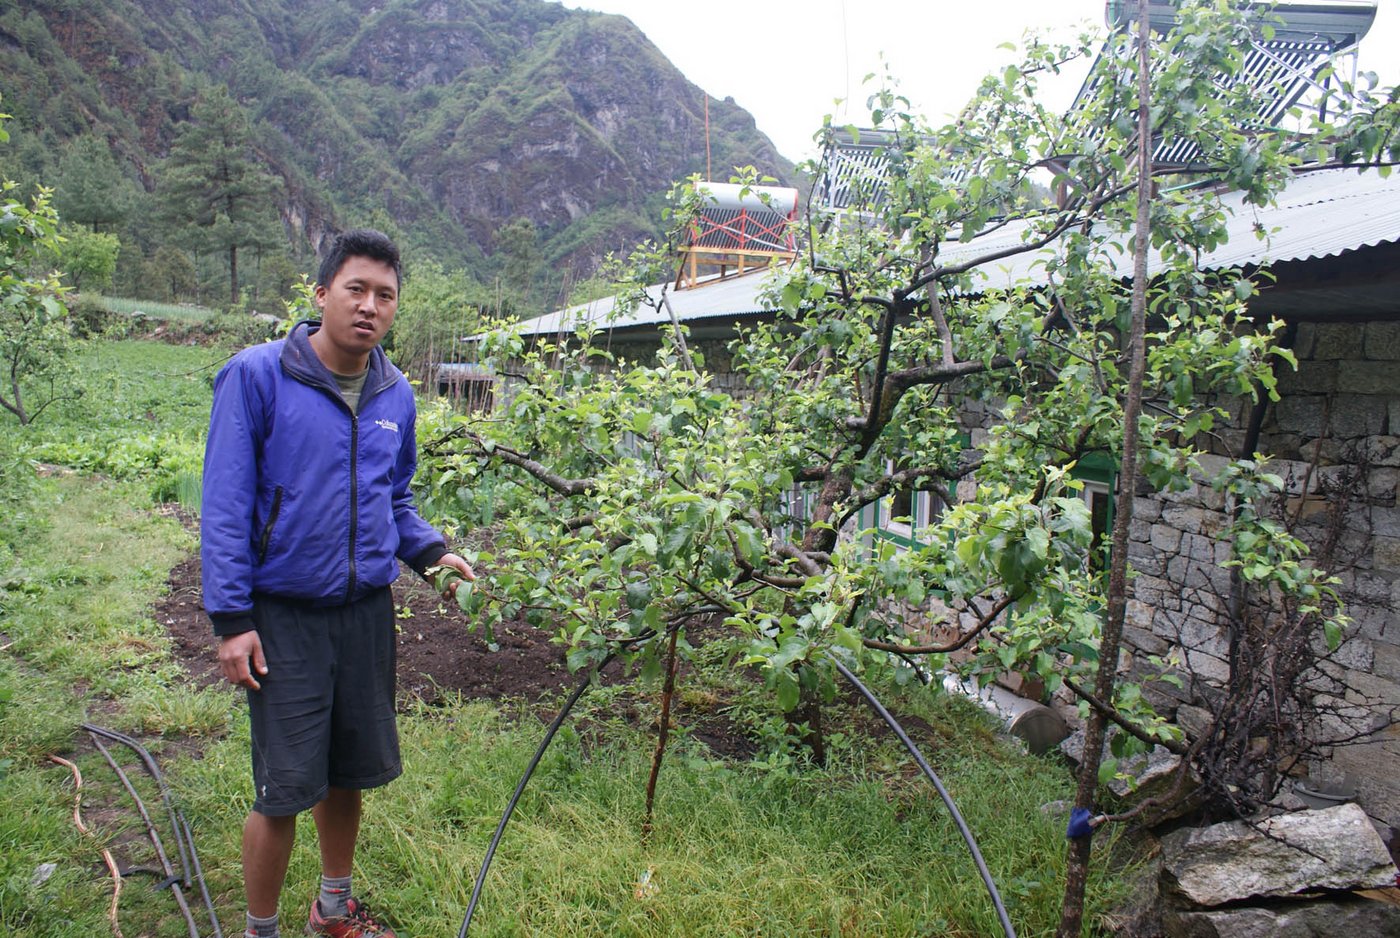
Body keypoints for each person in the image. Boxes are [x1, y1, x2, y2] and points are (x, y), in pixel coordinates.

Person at [201, 229, 473, 938]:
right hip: (283, 615)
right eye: (356, 289)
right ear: (321, 293)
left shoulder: (395, 392)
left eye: (386, 296)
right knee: (284, 789)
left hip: (364, 613)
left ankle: (333, 908)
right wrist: (231, 621)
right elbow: (226, 504)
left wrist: (433, 554)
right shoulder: (258, 376)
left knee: (349, 773)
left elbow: (395, 498)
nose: (370, 306)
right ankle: (261, 930)